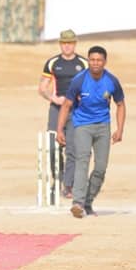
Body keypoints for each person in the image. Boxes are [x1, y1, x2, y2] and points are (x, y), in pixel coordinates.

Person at [56, 46, 126, 218]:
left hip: (103, 126)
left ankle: (87, 202)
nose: (95, 63)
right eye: (92, 60)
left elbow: (120, 105)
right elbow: (66, 105)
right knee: (82, 161)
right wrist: (60, 130)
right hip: (82, 125)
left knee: (101, 168)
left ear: (105, 62)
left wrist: (120, 130)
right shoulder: (79, 80)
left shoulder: (112, 81)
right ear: (88, 61)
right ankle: (78, 203)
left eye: (99, 60)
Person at [38, 29, 88, 199]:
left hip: (76, 110)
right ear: (60, 44)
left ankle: (68, 185)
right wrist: (54, 98)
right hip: (57, 109)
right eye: (64, 43)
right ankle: (57, 180)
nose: (67, 46)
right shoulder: (52, 63)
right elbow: (42, 88)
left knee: (73, 148)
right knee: (53, 146)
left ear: (75, 44)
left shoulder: (84, 63)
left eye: (70, 43)